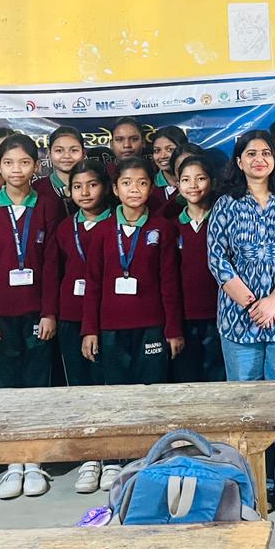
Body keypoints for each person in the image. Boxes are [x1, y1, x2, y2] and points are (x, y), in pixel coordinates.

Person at [207, 130, 275, 530]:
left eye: (266, 153)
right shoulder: (225, 205)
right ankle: (253, 486)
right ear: (238, 162)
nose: (259, 159)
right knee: (246, 409)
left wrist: (274, 301)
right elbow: (217, 260)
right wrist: (252, 303)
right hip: (240, 321)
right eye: (250, 153)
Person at [0, 133, 60, 499]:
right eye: (8, 163)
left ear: (36, 166)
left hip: (37, 314)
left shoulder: (48, 205)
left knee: (37, 385)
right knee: (5, 387)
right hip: (0, 316)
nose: (16, 170)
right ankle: (12, 463)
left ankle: (34, 461)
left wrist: (49, 312)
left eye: (24, 162)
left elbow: (53, 265)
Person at [81, 157, 183, 491]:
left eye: (141, 183)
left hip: (151, 326)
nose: (134, 189)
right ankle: (114, 459)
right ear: (115, 189)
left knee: (151, 393)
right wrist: (90, 329)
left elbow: (169, 283)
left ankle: (149, 456)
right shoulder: (101, 232)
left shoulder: (161, 229)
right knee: (116, 394)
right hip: (110, 328)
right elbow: (93, 284)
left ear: (151, 188)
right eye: (126, 183)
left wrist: (172, 329)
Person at [42, 158, 111, 494]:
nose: (84, 192)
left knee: (108, 385)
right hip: (71, 316)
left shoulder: (118, 223)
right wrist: (50, 313)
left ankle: (113, 456)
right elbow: (51, 274)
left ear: (106, 188)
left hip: (108, 316)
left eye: (92, 185)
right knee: (80, 386)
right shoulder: (64, 228)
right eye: (77, 187)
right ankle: (90, 457)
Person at [172, 154, 225, 385]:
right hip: (185, 317)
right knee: (189, 381)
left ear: (212, 181)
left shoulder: (223, 221)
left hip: (219, 315)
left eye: (200, 178)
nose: (193, 185)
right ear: (178, 184)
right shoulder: (172, 226)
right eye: (186, 180)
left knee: (218, 379)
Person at [34, 126, 85, 220]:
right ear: (49, 154)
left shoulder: (93, 187)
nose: (66, 156)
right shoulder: (37, 189)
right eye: (59, 150)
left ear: (83, 153)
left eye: (74, 150)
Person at [147, 125, 187, 215]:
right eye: (157, 150)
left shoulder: (196, 184)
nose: (163, 156)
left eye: (170, 150)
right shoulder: (149, 186)